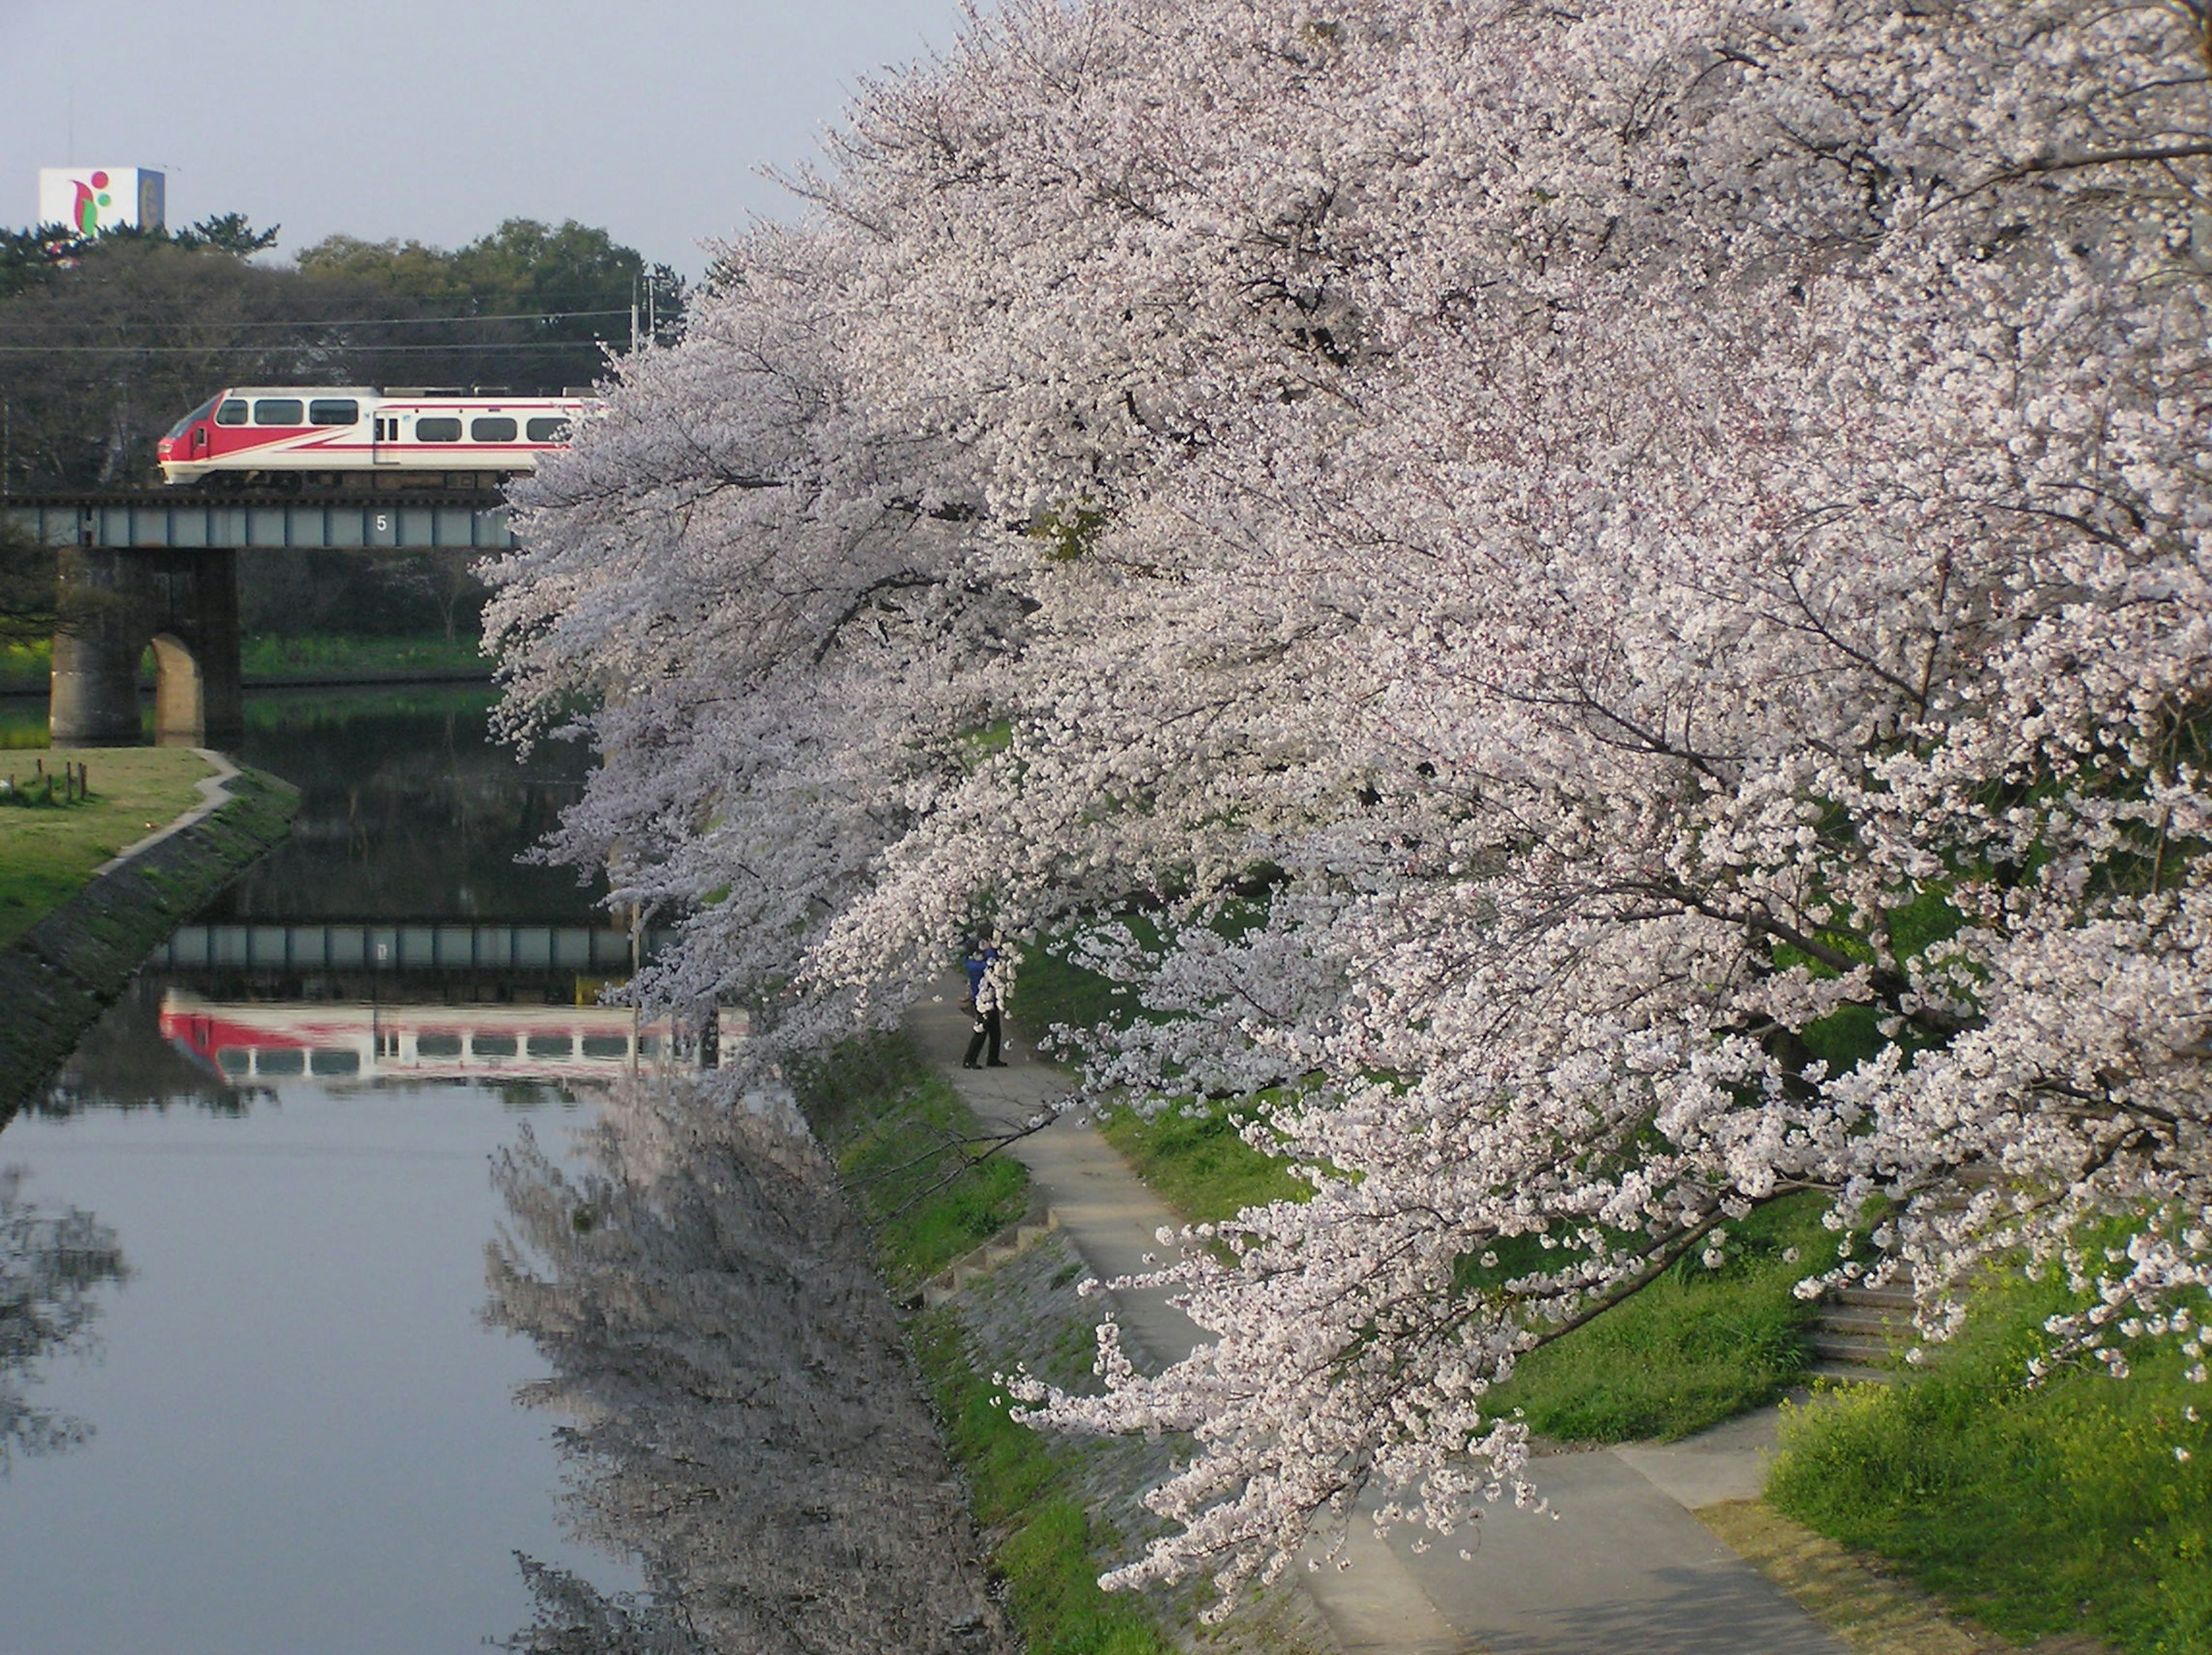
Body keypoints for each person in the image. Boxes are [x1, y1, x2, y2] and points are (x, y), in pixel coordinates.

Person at [962, 952, 1007, 1069]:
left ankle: (993, 1058)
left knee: (995, 1031)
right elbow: (992, 963)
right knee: (981, 1031)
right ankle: (969, 1060)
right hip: (983, 1001)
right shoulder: (976, 966)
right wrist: (990, 949)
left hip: (989, 999)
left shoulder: (971, 963)